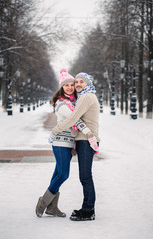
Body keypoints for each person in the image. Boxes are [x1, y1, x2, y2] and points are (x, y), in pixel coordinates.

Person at [35, 69, 97, 218]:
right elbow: (74, 119)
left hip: (69, 144)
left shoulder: (74, 101)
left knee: (57, 173)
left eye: (71, 84)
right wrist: (88, 132)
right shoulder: (62, 103)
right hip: (60, 142)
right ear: (61, 88)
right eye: (66, 85)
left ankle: (52, 207)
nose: (70, 87)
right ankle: (43, 202)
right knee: (63, 174)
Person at [52, 72, 100, 221]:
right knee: (85, 176)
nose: (78, 84)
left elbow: (73, 118)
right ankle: (87, 208)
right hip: (84, 140)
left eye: (81, 82)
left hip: (86, 140)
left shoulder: (86, 97)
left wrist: (56, 130)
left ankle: (88, 211)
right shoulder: (86, 96)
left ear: (88, 84)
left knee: (85, 177)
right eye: (76, 81)